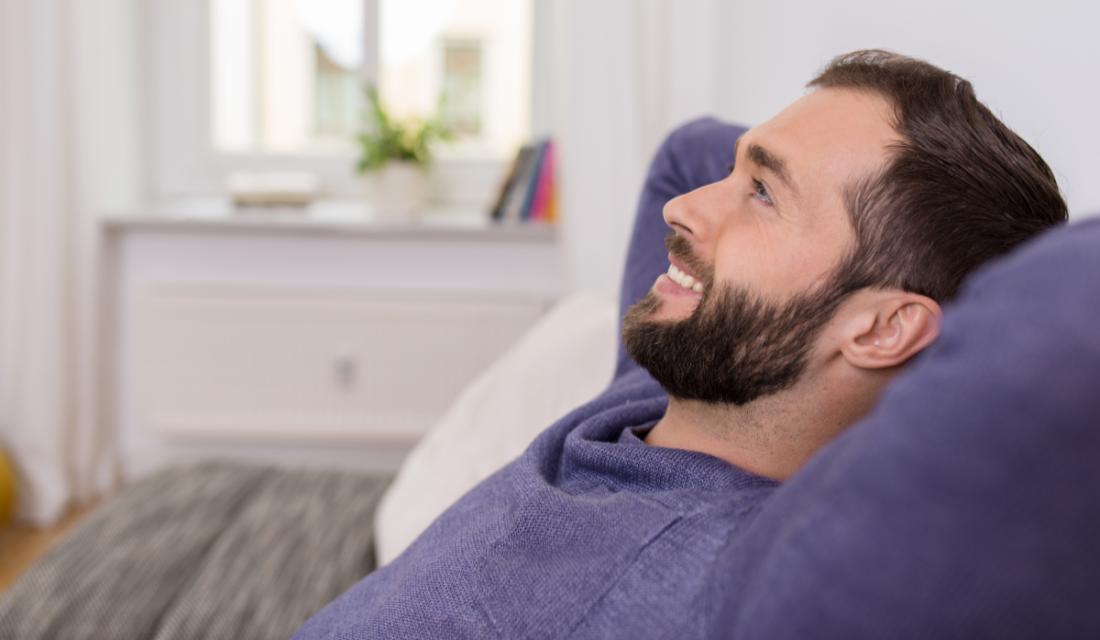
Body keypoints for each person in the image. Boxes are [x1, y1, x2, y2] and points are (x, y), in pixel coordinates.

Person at [293, 50, 1067, 639]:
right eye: (739, 174)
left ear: (881, 327)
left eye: (762, 192)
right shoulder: (669, 381)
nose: (684, 206)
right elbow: (691, 148)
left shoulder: (718, 581)